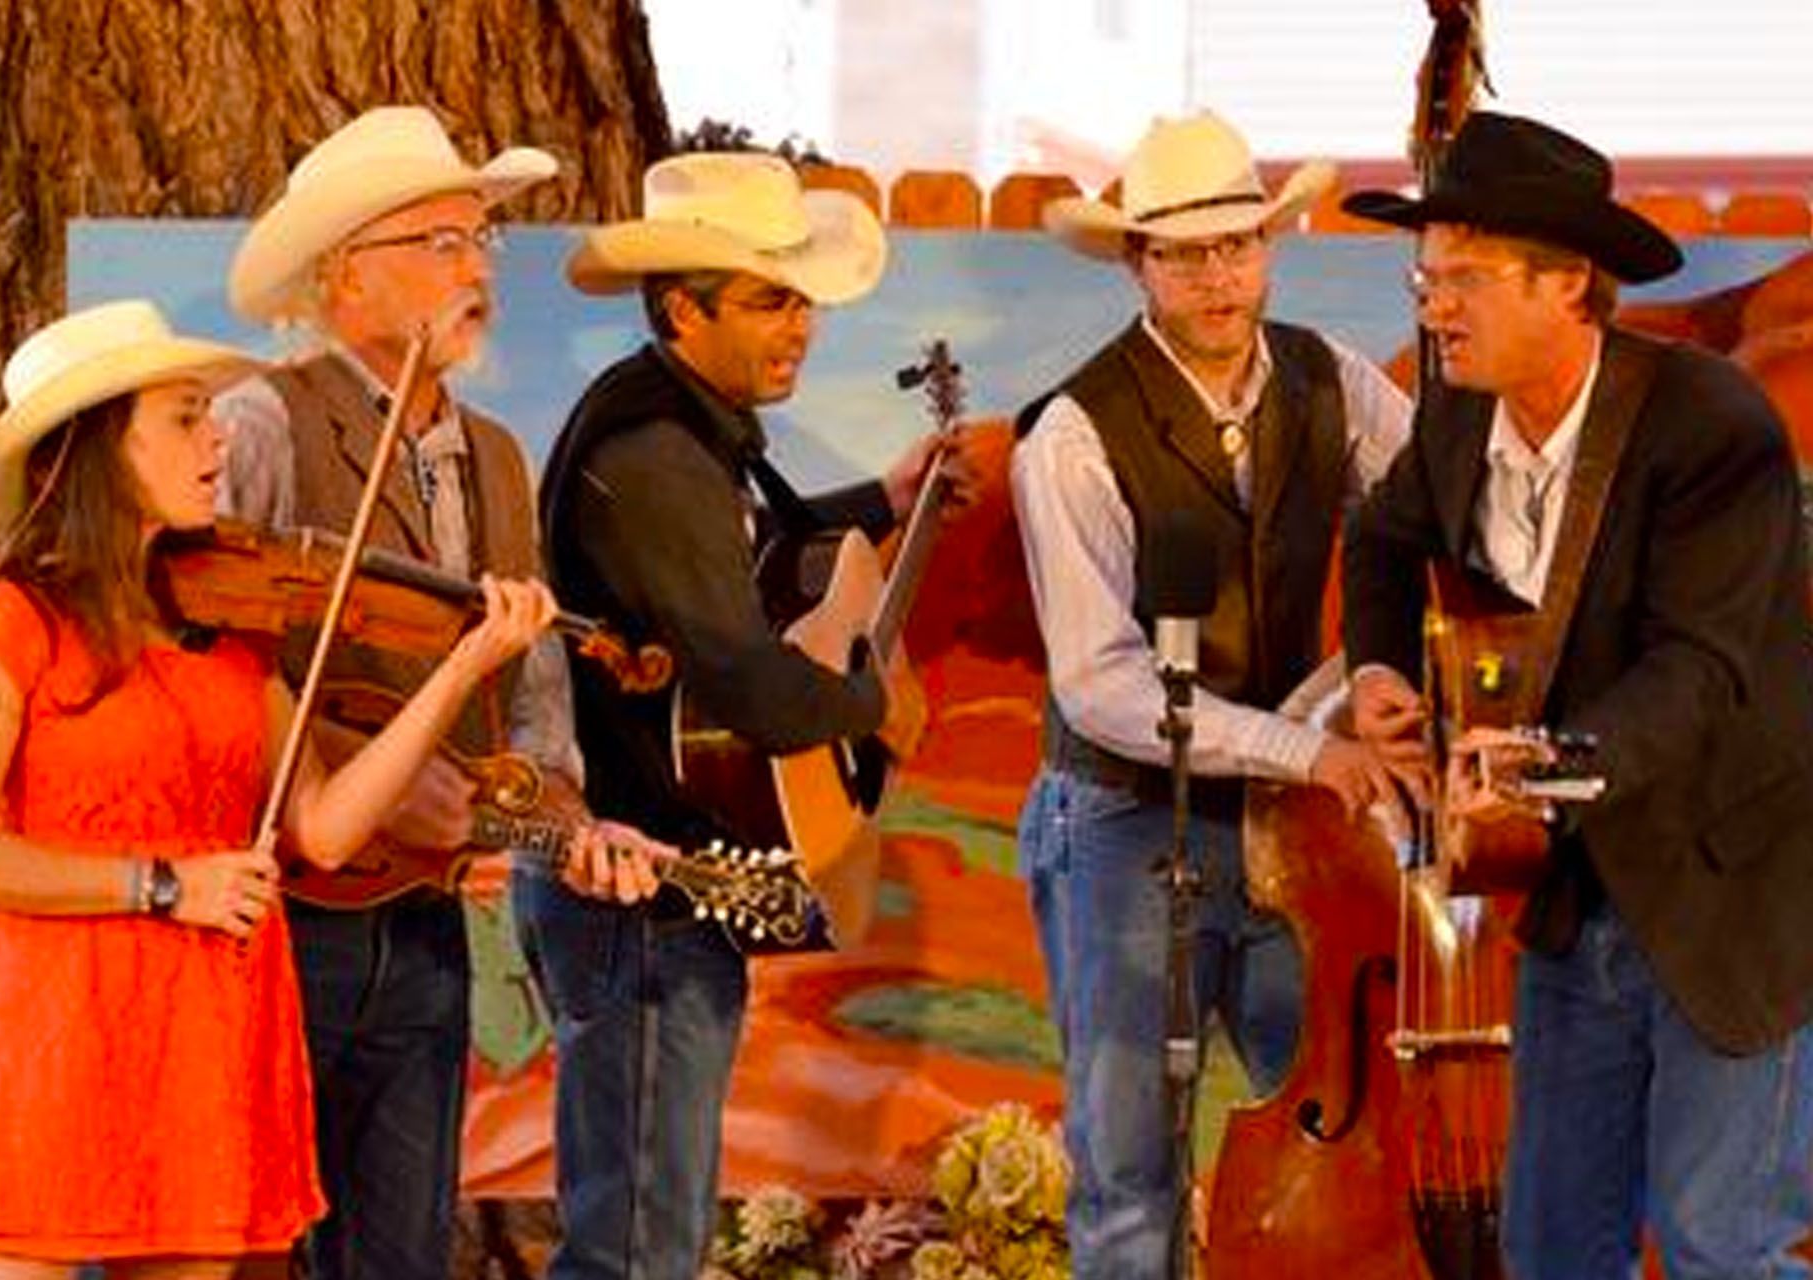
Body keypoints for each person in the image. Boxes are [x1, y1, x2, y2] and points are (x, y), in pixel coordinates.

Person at [0, 300, 555, 1279]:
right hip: (60, 1043)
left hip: (210, 1039)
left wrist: (466, 666)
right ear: (85, 452)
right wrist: (166, 884)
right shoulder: (1, 622)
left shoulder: (227, 630)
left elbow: (327, 829)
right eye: (183, 417)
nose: (217, 437)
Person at [1340, 110, 1813, 1279]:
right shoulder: (1453, 415)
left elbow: (1705, 665)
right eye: (1426, 276)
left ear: (1567, 286)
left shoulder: (1709, 421)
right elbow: (1384, 537)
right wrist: (1379, 667)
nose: (1434, 306)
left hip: (1732, 893)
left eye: (1464, 279)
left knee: (1720, 1244)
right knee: (1553, 1244)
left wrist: (1546, 755)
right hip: (1570, 889)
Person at [217, 106, 662, 1280]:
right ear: (344, 275)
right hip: (278, 925)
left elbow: (535, 703)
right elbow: (211, 659)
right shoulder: (263, 423)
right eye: (441, 243)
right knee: (260, 1248)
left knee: (403, 1253)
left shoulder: (501, 459)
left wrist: (563, 823)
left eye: (481, 244)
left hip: (420, 925)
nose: (476, 270)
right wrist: (341, 778)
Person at [533, 150, 985, 1279]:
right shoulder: (655, 456)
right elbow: (749, 682)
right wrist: (874, 701)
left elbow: (746, 564)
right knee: (637, 1246)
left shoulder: (685, 433)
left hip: (660, 890)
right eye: (770, 300)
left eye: (802, 298)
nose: (802, 326)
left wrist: (878, 500)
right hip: (639, 897)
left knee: (648, 1234)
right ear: (684, 308)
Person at [1012, 109, 1412, 1277]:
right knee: (1129, 1168)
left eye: (1240, 244)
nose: (1219, 274)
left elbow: (1426, 527)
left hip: (1294, 817)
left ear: (1273, 247)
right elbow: (1100, 685)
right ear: (1137, 262)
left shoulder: (1330, 378)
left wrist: (1356, 684)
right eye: (1185, 252)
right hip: (1128, 817)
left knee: (1344, 1124)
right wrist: (1307, 746)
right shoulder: (1076, 431)